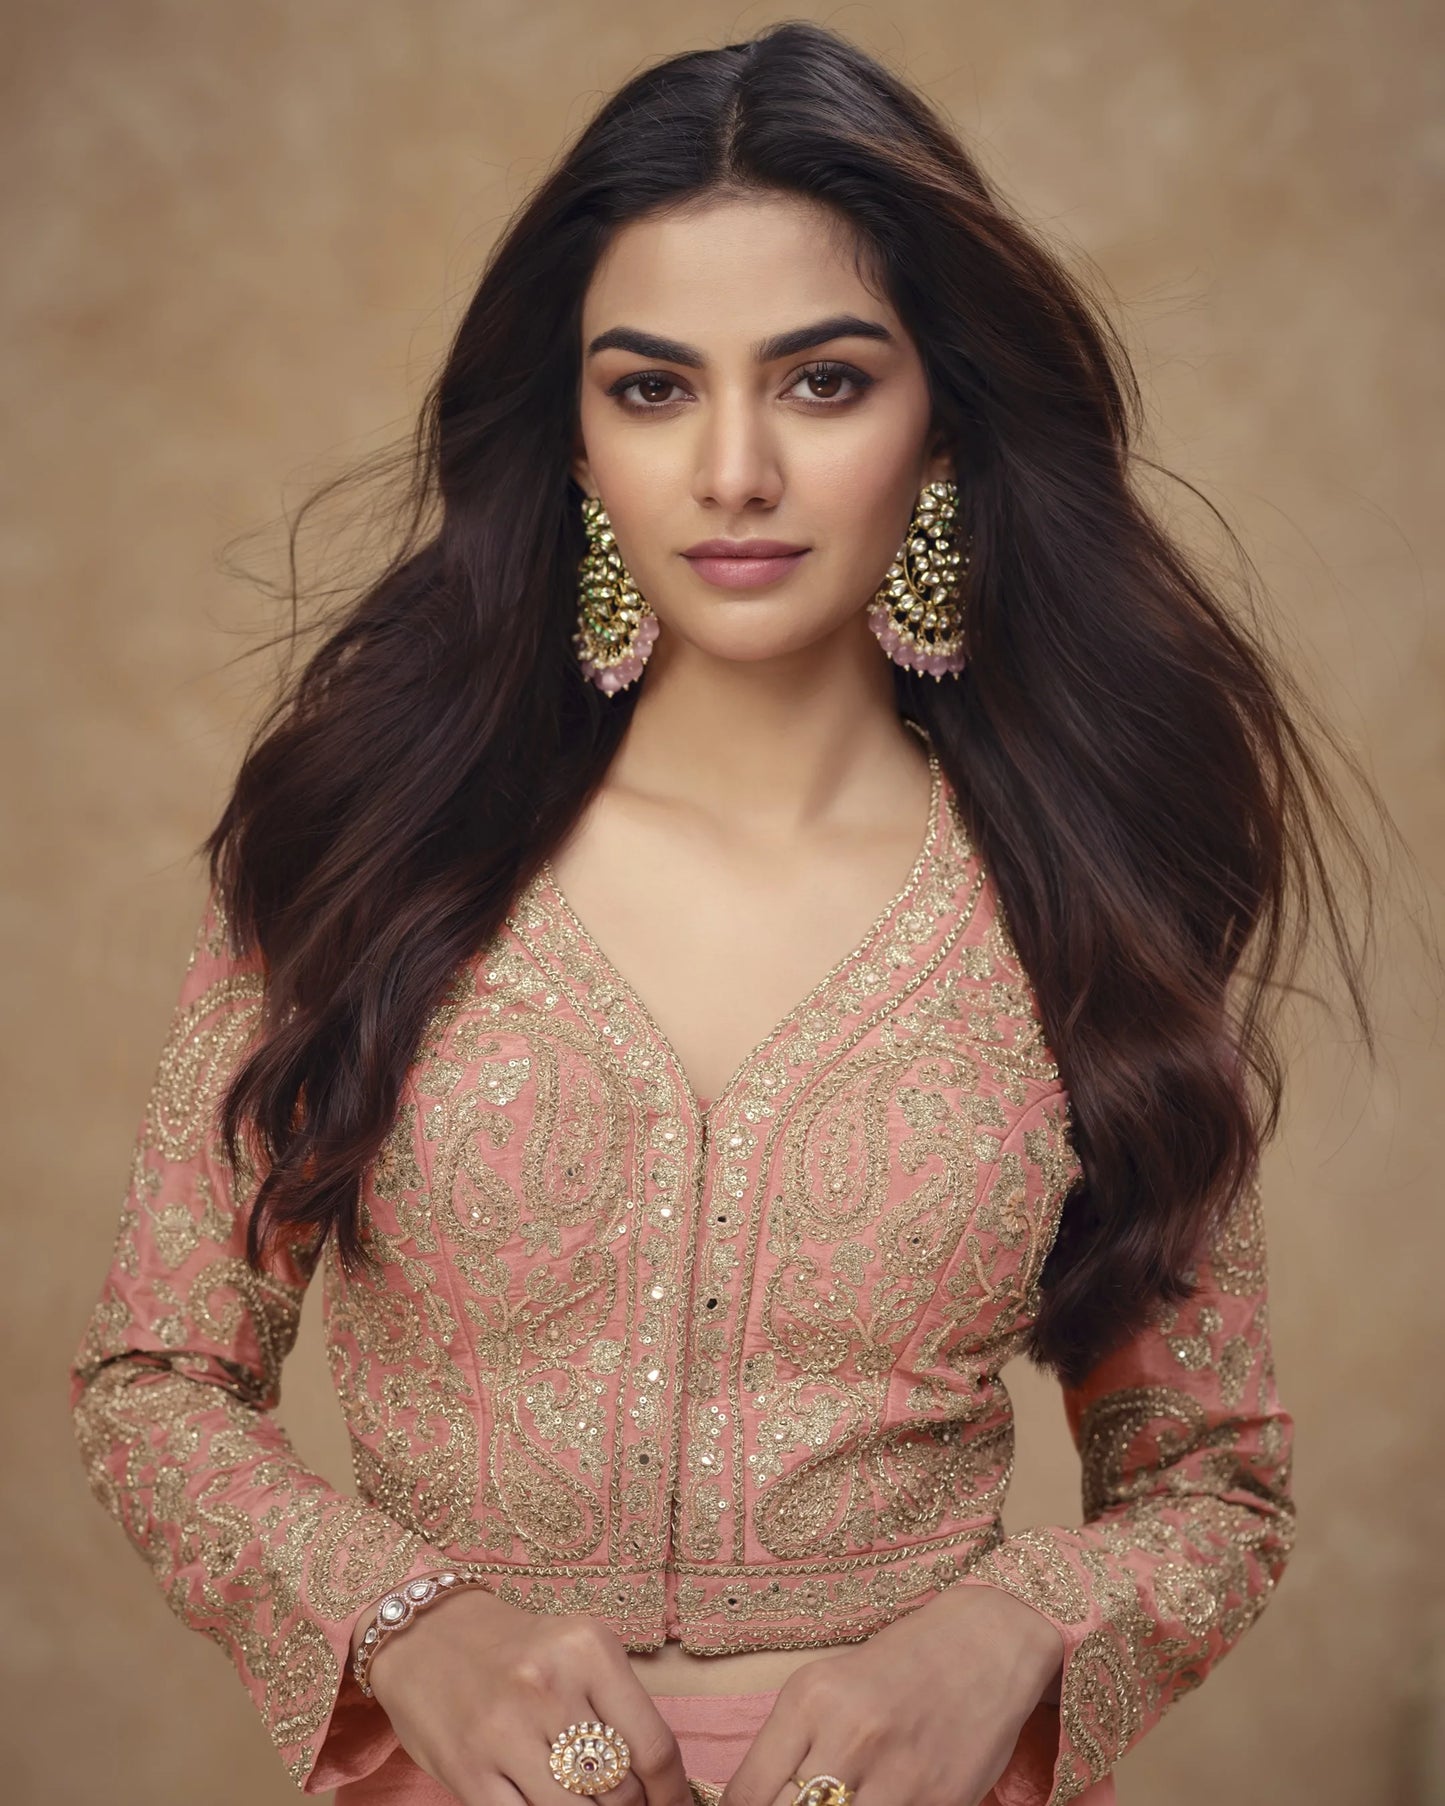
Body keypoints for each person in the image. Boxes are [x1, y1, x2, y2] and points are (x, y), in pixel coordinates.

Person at [69, 21, 1387, 1806]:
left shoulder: (1084, 899)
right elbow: (156, 1380)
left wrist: (996, 1639)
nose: (735, 469)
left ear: (941, 422)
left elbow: (1212, 1484)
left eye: (823, 380)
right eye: (654, 385)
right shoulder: (374, 847)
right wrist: (410, 1618)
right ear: (573, 435)